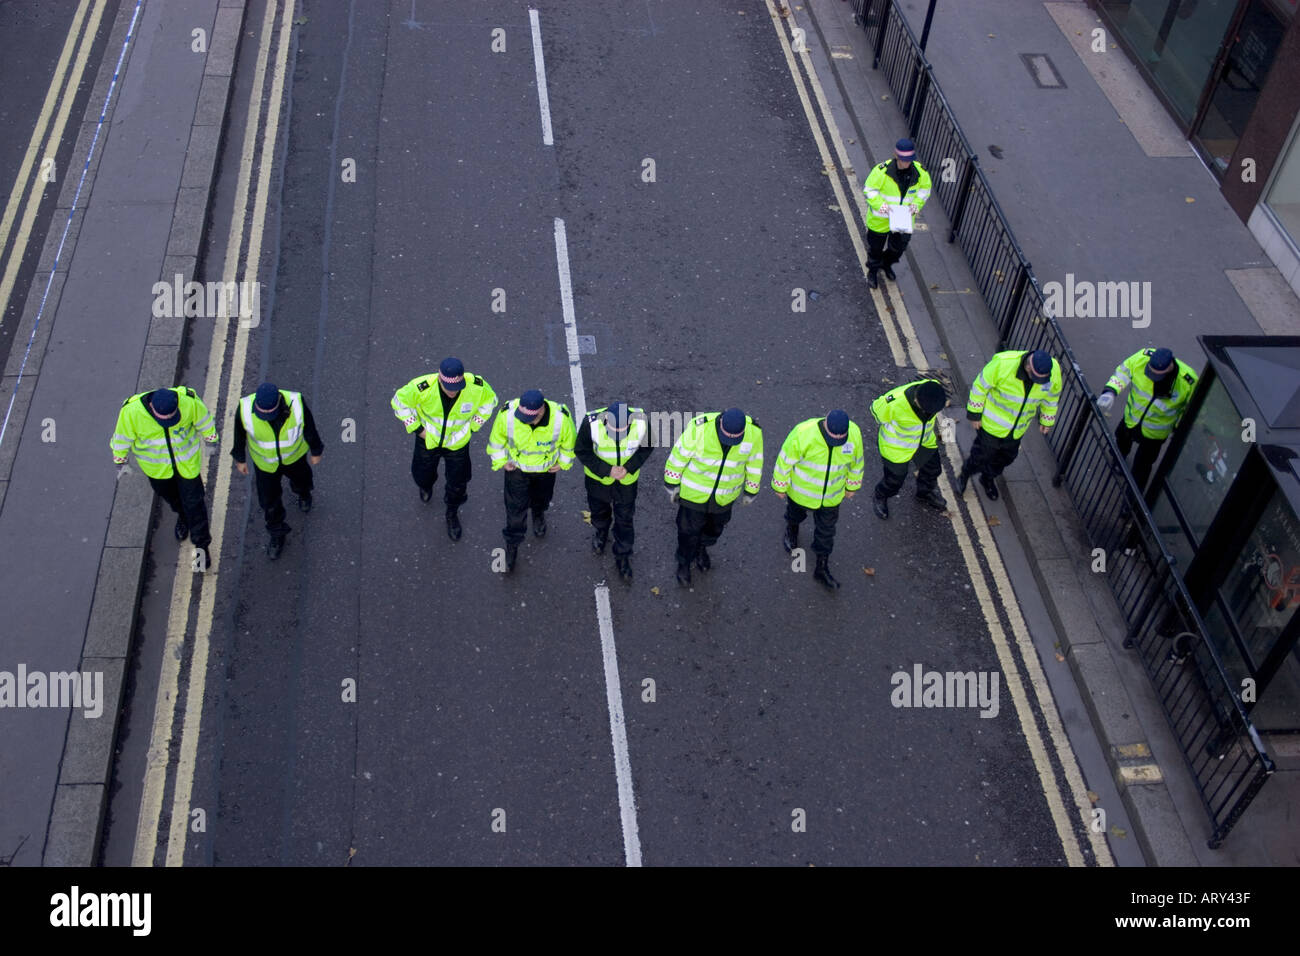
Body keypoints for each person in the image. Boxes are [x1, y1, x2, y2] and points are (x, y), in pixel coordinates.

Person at [110, 385, 218, 569]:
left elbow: (204, 421)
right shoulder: (131, 412)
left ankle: (202, 548)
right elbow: (121, 438)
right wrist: (121, 462)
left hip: (187, 466)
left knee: (195, 506)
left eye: (173, 417)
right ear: (152, 408)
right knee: (174, 500)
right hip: (157, 470)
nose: (170, 421)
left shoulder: (188, 401)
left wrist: (211, 439)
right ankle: (183, 517)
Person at [391, 357, 498, 540]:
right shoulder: (421, 387)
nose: (453, 392)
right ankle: (426, 485)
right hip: (427, 442)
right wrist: (418, 429)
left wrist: (474, 426)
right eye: (449, 388)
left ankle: (452, 512)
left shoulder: (476, 387)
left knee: (458, 483)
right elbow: (399, 403)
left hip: (457, 444)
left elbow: (491, 402)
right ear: (440, 379)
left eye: (457, 388)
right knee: (422, 475)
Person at [664, 408, 763, 586]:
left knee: (715, 529)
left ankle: (702, 547)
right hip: (694, 494)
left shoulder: (754, 433)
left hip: (725, 495)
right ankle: (684, 562)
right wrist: (671, 483)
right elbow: (678, 455)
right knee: (688, 531)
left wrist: (751, 489)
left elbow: (755, 462)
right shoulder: (700, 428)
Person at [771, 410, 865, 590]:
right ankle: (792, 530)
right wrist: (780, 485)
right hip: (801, 493)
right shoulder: (803, 433)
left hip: (831, 496)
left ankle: (821, 567)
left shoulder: (854, 433)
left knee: (826, 533)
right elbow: (785, 461)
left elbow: (857, 462)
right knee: (795, 515)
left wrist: (852, 486)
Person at [485, 389, 576, 571]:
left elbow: (569, 443)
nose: (524, 421)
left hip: (545, 471)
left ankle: (538, 513)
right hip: (517, 470)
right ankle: (512, 545)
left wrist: (564, 463)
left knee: (542, 499)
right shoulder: (508, 415)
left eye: (530, 418)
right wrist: (501, 462)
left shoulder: (560, 419)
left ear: (541, 410)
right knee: (514, 511)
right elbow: (496, 440)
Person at [231, 382, 324, 559]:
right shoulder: (244, 408)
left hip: (294, 458)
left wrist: (316, 450)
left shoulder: (296, 402)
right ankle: (277, 533)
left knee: (302, 481)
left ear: (279, 402)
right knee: (269, 502)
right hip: (265, 464)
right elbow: (239, 434)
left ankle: (304, 493)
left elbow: (309, 426)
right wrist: (240, 458)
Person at [959, 349, 1060, 500]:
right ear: (1027, 367)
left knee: (1006, 458)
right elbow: (980, 387)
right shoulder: (1003, 364)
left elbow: (1051, 397)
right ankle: (965, 474)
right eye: (1036, 378)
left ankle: (987, 478)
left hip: (1017, 429)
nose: (1038, 383)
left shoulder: (1053, 370)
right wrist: (974, 414)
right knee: (981, 456)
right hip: (991, 425)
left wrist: (1047, 419)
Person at [1098, 347, 1198, 492]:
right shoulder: (1143, 357)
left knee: (1142, 467)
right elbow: (1123, 371)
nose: (1152, 378)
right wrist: (1111, 391)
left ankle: (1131, 501)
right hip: (1132, 418)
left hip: (1155, 433)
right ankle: (1119, 460)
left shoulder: (1188, 381)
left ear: (1170, 367)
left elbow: (1189, 410)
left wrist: (1178, 428)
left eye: (1157, 376)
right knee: (1121, 438)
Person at [575, 402, 654, 583]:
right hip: (598, 480)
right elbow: (582, 450)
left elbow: (647, 447)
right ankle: (601, 532)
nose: (618, 435)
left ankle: (623, 556)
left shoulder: (641, 422)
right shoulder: (591, 423)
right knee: (599, 511)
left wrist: (629, 467)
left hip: (627, 481)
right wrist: (607, 470)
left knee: (625, 519)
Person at [870, 379, 949, 519]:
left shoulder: (932, 388)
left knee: (933, 469)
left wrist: (949, 435)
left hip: (924, 441)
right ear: (917, 401)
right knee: (894, 481)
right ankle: (880, 495)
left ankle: (924, 493)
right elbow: (876, 410)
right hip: (896, 447)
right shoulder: (895, 402)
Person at [862, 137, 932, 290]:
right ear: (896, 156)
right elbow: (869, 190)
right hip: (880, 219)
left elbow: (924, 191)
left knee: (898, 249)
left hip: (902, 219)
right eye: (903, 160)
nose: (906, 163)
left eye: (909, 160)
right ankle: (873, 271)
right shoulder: (881, 171)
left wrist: (917, 204)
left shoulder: (921, 173)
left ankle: (886, 264)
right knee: (875, 249)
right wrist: (881, 206)